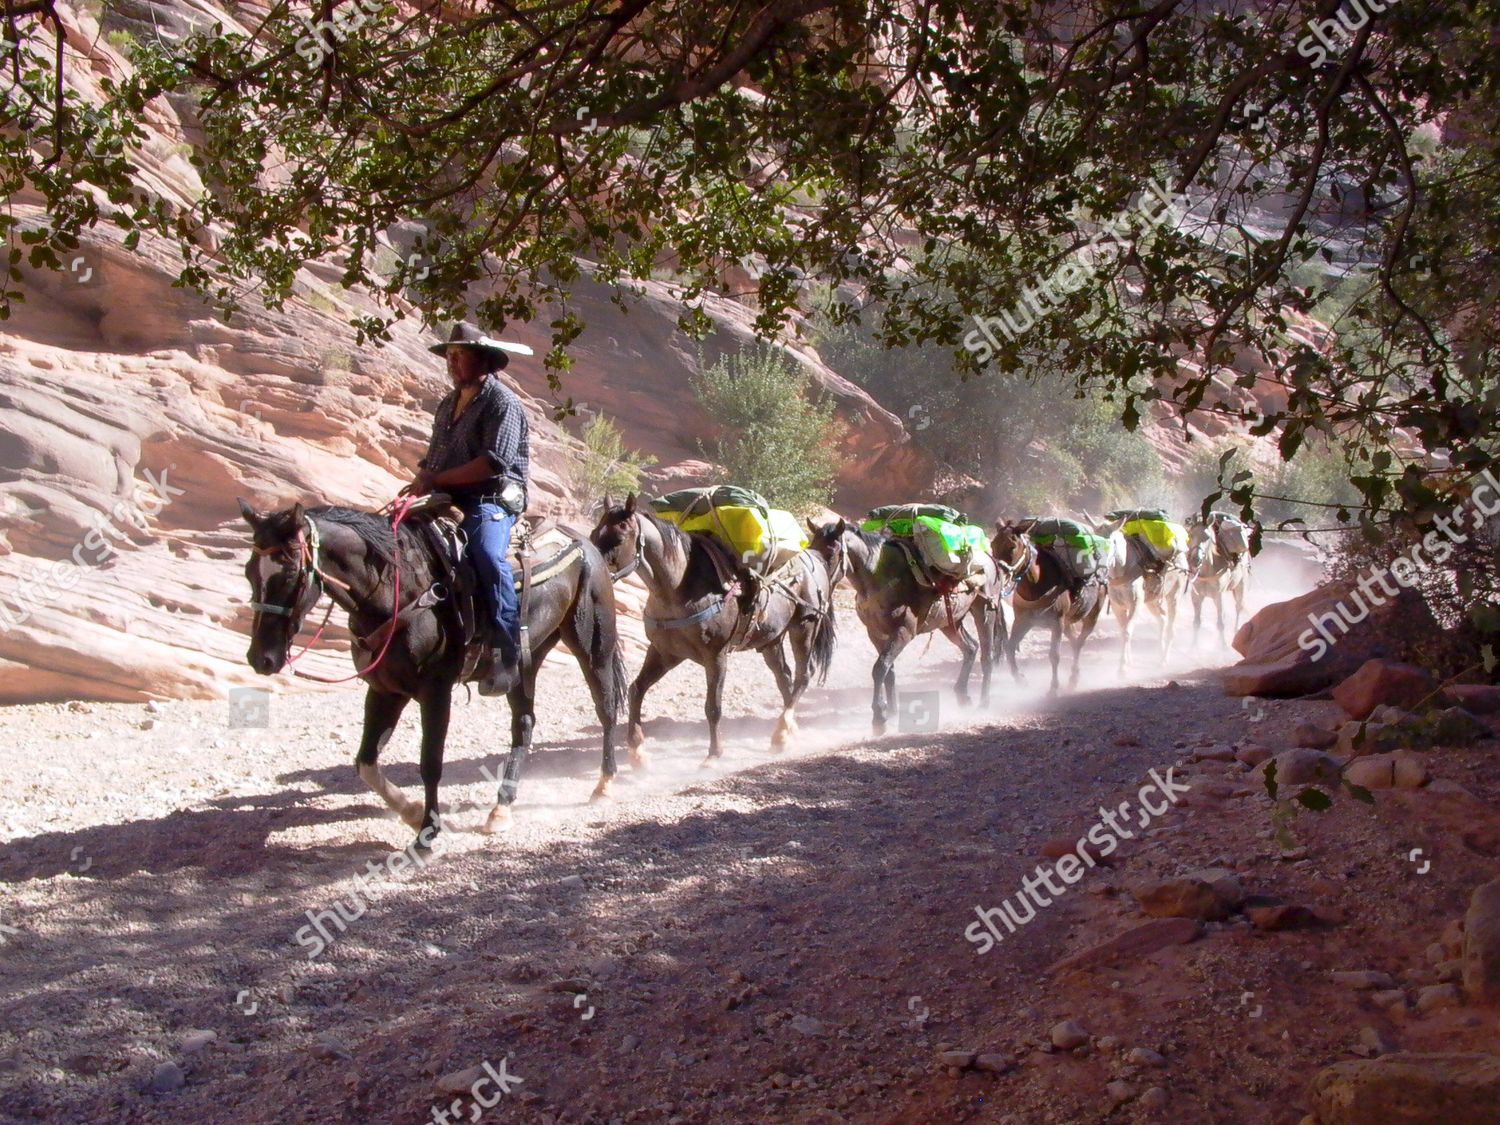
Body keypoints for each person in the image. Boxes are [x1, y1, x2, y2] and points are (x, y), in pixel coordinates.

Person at [403, 323, 531, 696]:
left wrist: (438, 479)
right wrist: (426, 474)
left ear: (484, 361)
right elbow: (438, 454)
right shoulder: (447, 404)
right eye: (450, 355)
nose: (453, 362)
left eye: (461, 355)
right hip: (452, 494)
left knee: (488, 555)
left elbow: (494, 463)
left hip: (494, 496)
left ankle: (507, 649)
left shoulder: (502, 403)